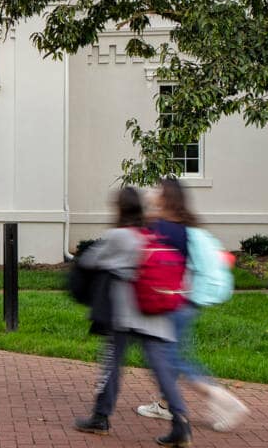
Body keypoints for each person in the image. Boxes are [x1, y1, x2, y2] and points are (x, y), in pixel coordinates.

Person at [74, 186, 191, 447]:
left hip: (125, 312)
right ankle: (180, 422)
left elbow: (91, 260)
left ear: (119, 208)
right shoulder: (150, 233)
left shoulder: (118, 236)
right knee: (160, 369)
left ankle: (100, 417)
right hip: (155, 311)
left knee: (112, 364)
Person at [137, 177, 249, 433]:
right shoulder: (185, 227)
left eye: (156, 190)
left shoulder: (163, 228)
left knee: (168, 358)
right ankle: (165, 404)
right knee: (169, 353)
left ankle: (224, 400)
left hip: (172, 300)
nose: (151, 193)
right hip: (187, 300)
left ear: (165, 197)